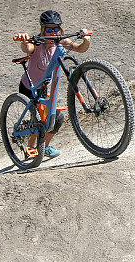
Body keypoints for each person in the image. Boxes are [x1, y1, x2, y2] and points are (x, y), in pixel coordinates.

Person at [13, 10, 91, 158]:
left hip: (44, 88)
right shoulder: (37, 42)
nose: (53, 33)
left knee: (57, 118)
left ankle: (44, 147)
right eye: (49, 29)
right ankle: (31, 148)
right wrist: (24, 40)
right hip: (29, 87)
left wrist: (86, 39)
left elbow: (80, 48)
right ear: (43, 29)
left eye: (56, 29)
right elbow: (27, 48)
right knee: (39, 119)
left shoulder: (61, 42)